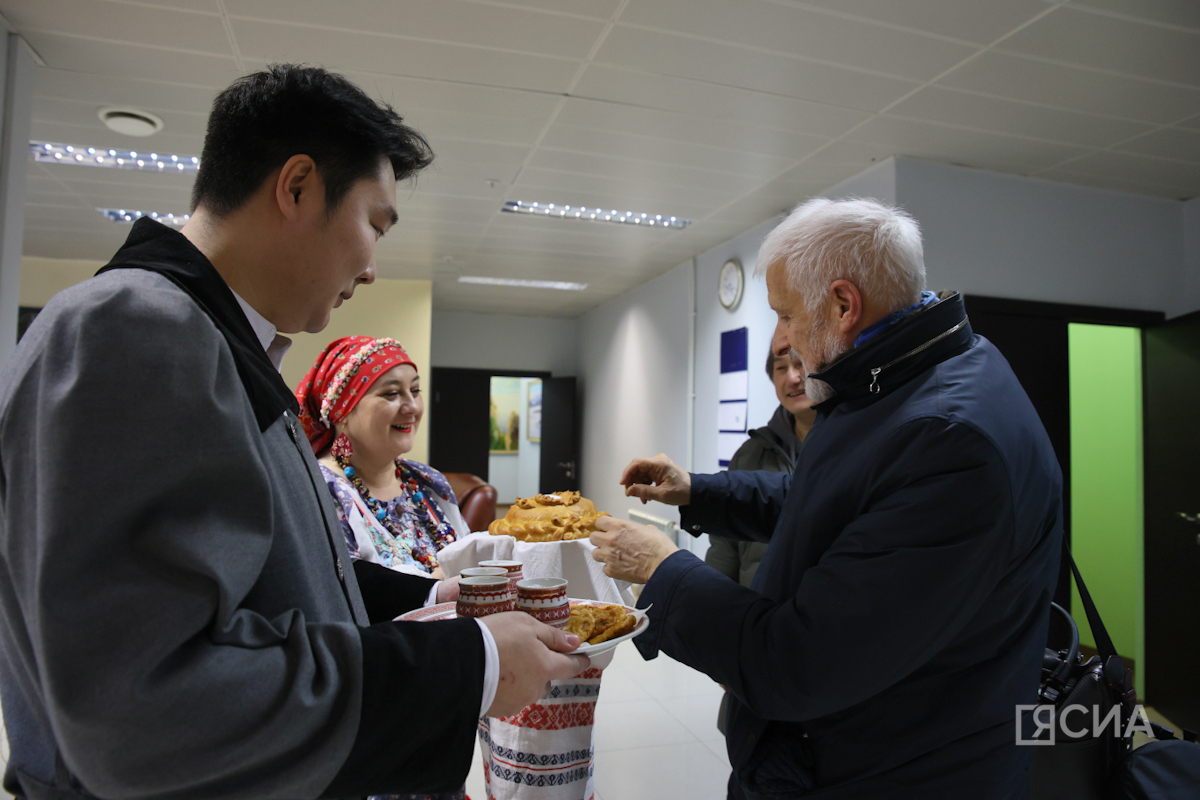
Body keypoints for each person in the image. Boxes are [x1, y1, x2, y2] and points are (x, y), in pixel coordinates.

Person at [0, 64, 587, 800]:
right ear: (298, 186)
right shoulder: (137, 328)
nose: (372, 268)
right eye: (374, 223)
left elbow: (271, 584)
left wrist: (449, 605)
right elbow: (144, 705)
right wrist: (472, 663)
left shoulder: (211, 341)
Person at [590, 197, 1063, 799]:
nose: (782, 340)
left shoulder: (946, 441)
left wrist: (662, 570)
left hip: (890, 773)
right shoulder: (908, 377)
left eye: (785, 316)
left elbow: (798, 663)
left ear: (844, 305)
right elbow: (837, 500)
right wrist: (702, 492)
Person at [297, 336, 470, 800]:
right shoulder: (321, 490)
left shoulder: (427, 483)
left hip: (445, 689)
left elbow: (467, 557)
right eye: (390, 393)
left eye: (414, 390)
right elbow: (338, 595)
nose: (411, 405)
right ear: (344, 409)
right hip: (378, 700)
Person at [705, 337, 815, 589]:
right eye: (780, 368)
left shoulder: (851, 448)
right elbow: (724, 546)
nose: (792, 378)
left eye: (800, 365)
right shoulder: (750, 454)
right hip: (753, 613)